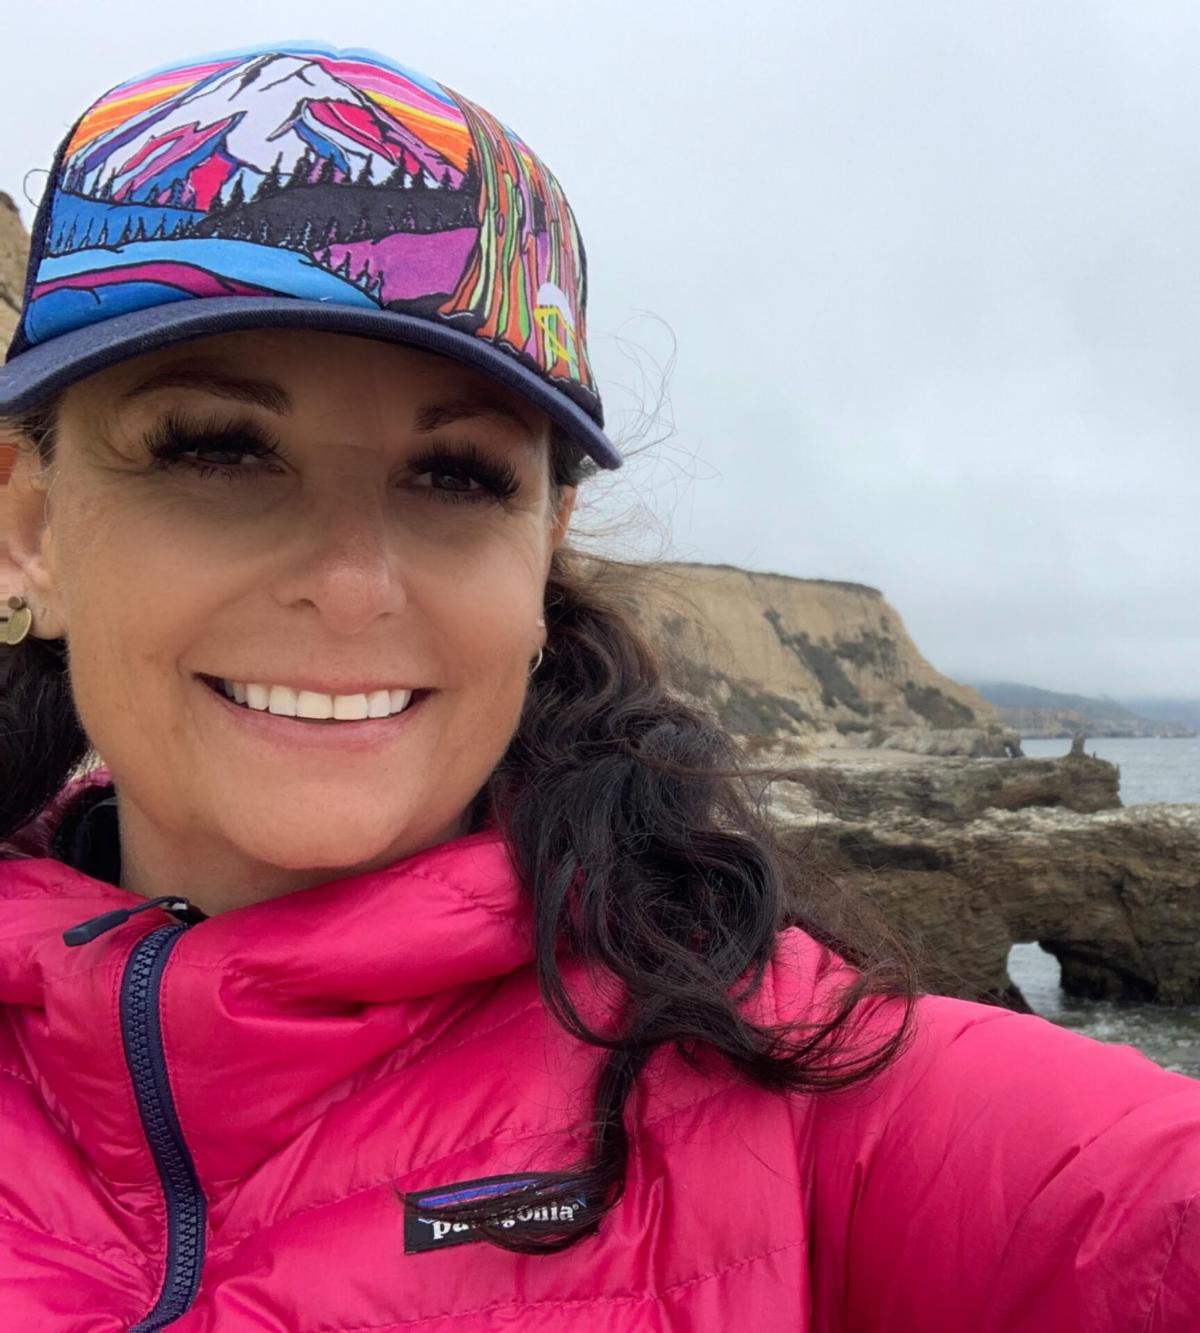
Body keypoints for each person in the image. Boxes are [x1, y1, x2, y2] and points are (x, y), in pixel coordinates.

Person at [0, 40, 1196, 1332]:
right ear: (29, 529)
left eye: (458, 474)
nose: (352, 585)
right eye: (218, 449)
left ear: (543, 547)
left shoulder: (786, 1088)